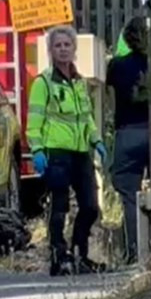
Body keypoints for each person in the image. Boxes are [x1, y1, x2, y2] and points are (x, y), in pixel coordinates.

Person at [28, 25, 107, 276]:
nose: (63, 49)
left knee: (90, 206)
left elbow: (86, 118)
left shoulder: (79, 83)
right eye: (58, 45)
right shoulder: (43, 83)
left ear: (74, 49)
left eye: (67, 45)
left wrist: (96, 141)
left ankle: (80, 254)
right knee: (59, 207)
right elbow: (34, 121)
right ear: (50, 50)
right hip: (56, 153)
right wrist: (37, 150)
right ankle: (58, 256)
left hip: (80, 152)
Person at [106, 17, 149, 264]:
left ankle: (134, 251)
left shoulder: (117, 66)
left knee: (128, 190)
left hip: (128, 131)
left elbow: (109, 93)